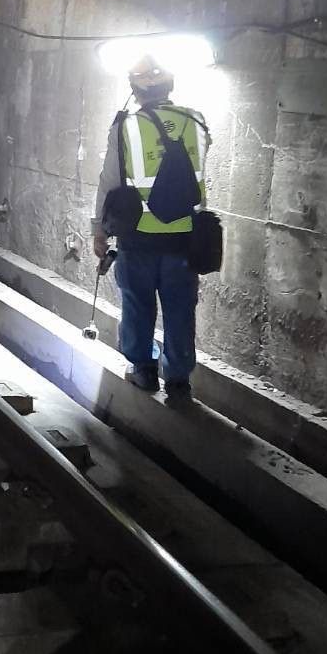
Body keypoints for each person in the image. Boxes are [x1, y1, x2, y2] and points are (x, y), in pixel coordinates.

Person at [91, 54, 210, 403]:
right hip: (184, 236)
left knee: (138, 304)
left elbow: (109, 181)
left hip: (138, 234)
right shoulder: (197, 122)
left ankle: (143, 370)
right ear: (168, 86)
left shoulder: (126, 125)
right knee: (179, 308)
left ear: (135, 90)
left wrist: (99, 228)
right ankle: (178, 382)